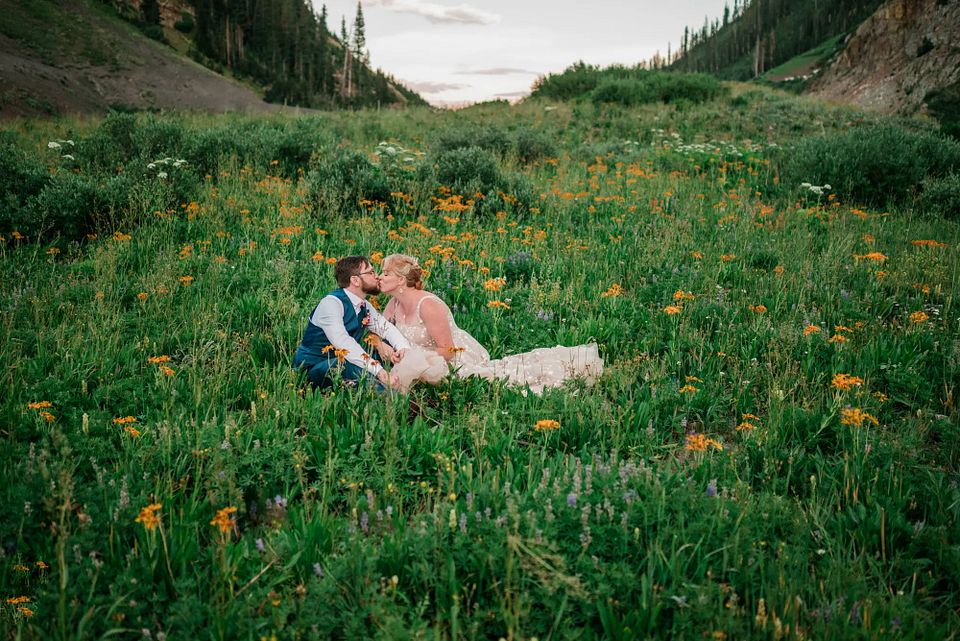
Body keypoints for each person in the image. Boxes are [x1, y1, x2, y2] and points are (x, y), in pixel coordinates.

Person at [377, 254, 603, 394]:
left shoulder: (427, 305)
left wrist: (412, 357)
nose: (379, 277)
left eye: (385, 273)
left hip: (452, 359)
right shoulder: (394, 303)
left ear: (401, 280)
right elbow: (377, 329)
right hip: (424, 360)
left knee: (502, 381)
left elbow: (448, 351)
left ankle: (570, 368)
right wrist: (381, 345)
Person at [292, 256, 410, 390]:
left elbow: (386, 328)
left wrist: (403, 349)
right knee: (349, 364)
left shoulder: (364, 305)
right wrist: (380, 372)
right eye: (371, 272)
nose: (377, 276)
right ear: (355, 280)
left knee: (389, 345)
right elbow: (343, 342)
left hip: (342, 361)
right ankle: (388, 397)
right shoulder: (331, 303)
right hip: (313, 369)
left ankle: (398, 383)